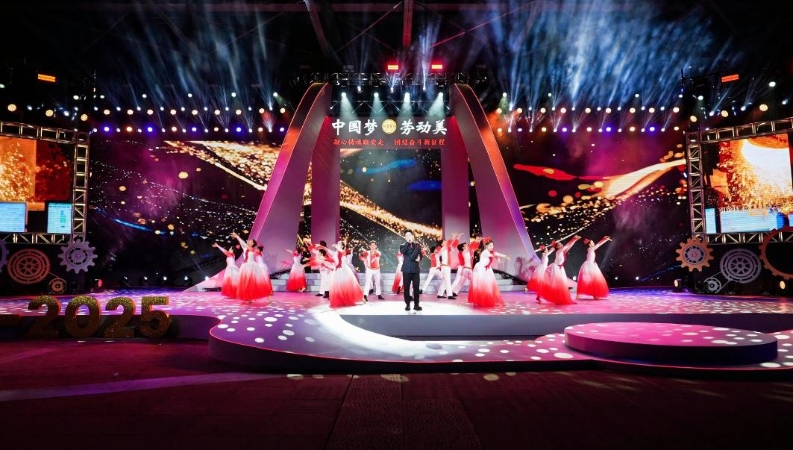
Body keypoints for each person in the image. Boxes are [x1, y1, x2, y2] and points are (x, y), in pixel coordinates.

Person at [230, 232, 272, 302]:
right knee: (246, 282)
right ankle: (249, 297)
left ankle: (266, 296)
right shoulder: (245, 248)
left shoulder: (252, 249)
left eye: (250, 241)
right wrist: (237, 237)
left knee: (252, 281)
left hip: (251, 266)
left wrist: (237, 236)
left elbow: (244, 243)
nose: (249, 241)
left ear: (252, 243)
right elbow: (242, 243)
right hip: (245, 266)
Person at [468, 239, 509, 307]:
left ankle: (488, 299)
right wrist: (498, 257)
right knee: (482, 285)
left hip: (487, 269)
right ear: (486, 246)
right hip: (481, 269)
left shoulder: (490, 252)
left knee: (489, 284)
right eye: (490, 245)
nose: (492, 247)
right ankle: (481, 300)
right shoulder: (485, 252)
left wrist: (505, 256)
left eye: (492, 245)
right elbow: (493, 255)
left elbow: (496, 253)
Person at [541, 236, 582, 305]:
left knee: (562, 284)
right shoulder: (559, 251)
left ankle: (561, 298)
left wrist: (575, 240)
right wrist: (574, 238)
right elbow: (567, 245)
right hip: (556, 268)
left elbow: (569, 246)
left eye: (560, 243)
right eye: (559, 244)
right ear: (557, 247)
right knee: (558, 284)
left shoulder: (562, 252)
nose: (561, 244)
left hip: (560, 268)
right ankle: (558, 298)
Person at [323, 240, 363, 307]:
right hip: (337, 270)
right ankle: (339, 300)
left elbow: (342, 252)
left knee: (345, 286)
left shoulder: (343, 251)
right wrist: (324, 251)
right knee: (338, 286)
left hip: (343, 270)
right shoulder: (336, 253)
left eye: (339, 244)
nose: (337, 244)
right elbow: (333, 258)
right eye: (337, 243)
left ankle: (347, 299)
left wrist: (337, 247)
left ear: (342, 246)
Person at [399, 230, 425, 311]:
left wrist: (419, 258)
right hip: (406, 270)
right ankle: (407, 305)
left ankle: (416, 305)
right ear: (405, 237)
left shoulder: (417, 245)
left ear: (412, 236)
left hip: (415, 269)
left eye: (409, 235)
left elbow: (420, 255)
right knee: (406, 288)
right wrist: (408, 242)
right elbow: (403, 252)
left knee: (416, 288)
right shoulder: (402, 245)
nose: (408, 236)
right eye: (406, 235)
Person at [436, 233, 462, 298]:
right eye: (444, 241)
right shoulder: (443, 248)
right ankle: (449, 295)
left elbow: (454, 245)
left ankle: (440, 294)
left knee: (445, 281)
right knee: (447, 280)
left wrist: (457, 238)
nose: (446, 242)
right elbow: (449, 243)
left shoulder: (447, 249)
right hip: (445, 267)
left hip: (446, 267)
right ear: (442, 244)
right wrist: (452, 237)